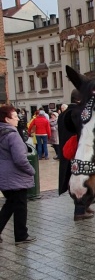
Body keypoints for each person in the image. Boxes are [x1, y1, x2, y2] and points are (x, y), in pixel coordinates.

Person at [0, 105, 36, 245]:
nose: (18, 119)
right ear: (7, 119)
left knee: (10, 204)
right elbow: (20, 159)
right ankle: (21, 235)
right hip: (15, 176)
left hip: (4, 175)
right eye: (14, 117)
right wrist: (31, 170)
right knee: (20, 205)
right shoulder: (12, 135)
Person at [58, 92, 95, 223]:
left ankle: (84, 206)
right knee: (80, 181)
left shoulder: (63, 114)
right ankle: (79, 211)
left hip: (66, 152)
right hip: (78, 153)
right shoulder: (79, 113)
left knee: (74, 180)